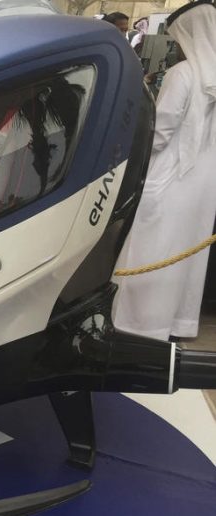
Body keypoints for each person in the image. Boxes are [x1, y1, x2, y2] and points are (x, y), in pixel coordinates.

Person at [112, 1, 216, 341]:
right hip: (203, 184)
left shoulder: (183, 74)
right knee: (187, 252)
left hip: (170, 177)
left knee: (152, 247)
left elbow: (161, 133)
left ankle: (141, 324)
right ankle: (178, 323)